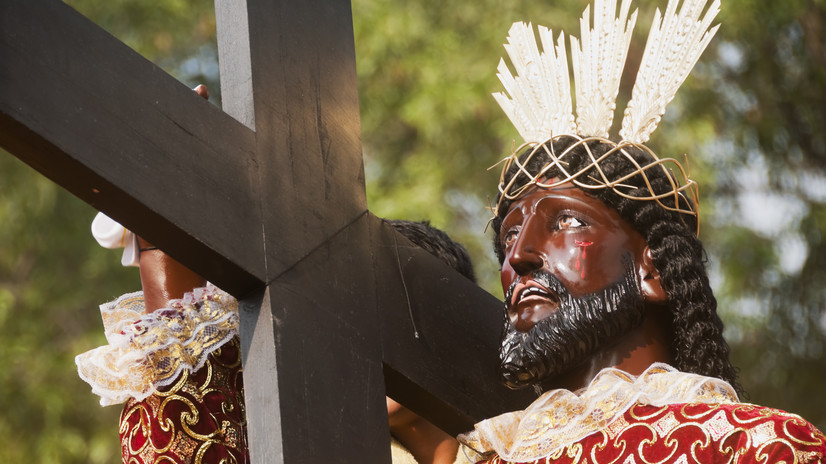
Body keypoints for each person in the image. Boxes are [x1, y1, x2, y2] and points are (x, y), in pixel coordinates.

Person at [456, 0, 826, 462]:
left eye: (568, 221)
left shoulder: (752, 447)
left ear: (653, 270)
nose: (520, 256)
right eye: (509, 236)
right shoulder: (483, 452)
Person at [77, 216, 475, 464]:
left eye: (385, 312)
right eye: (345, 321)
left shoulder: (520, 446)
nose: (361, 346)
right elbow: (185, 438)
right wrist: (159, 244)